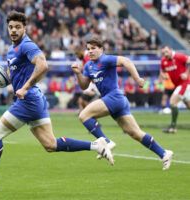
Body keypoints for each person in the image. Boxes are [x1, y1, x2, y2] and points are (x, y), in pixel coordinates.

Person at [0, 11, 114, 192]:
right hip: (35, 99)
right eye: (11, 27)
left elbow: (43, 65)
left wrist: (25, 87)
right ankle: (97, 144)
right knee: (50, 145)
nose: (13, 30)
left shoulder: (27, 45)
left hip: (28, 101)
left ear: (25, 28)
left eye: (18, 27)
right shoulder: (12, 49)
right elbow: (17, 77)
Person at [71, 37, 173, 170]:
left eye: (93, 48)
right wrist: (78, 74)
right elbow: (84, 85)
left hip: (114, 97)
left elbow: (126, 61)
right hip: (115, 101)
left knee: (84, 115)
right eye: (88, 49)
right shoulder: (88, 66)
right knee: (135, 133)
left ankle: (106, 141)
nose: (90, 51)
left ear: (101, 49)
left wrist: (137, 78)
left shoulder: (106, 59)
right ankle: (164, 153)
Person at [160, 46, 190, 133]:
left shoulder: (178, 56)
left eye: (166, 51)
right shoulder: (163, 61)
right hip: (178, 85)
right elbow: (162, 71)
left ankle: (173, 127)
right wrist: (163, 75)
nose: (165, 54)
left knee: (172, 102)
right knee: (188, 105)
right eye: (163, 53)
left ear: (170, 50)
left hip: (185, 84)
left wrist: (186, 73)